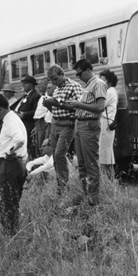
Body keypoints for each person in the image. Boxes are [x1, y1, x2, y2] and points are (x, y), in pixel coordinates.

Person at [61, 59, 107, 205]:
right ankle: (85, 194)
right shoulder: (87, 85)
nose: (78, 77)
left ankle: (93, 198)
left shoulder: (98, 83)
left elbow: (100, 107)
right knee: (81, 163)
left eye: (80, 74)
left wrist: (78, 104)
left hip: (89, 125)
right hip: (80, 124)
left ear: (87, 70)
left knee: (90, 163)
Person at [0, 94, 28, 235]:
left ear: (0, 109)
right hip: (17, 164)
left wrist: (9, 152)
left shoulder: (10, 122)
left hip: (9, 165)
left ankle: (10, 233)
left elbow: (19, 140)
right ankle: (12, 231)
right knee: (12, 202)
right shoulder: (12, 119)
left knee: (7, 202)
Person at [42, 65, 83, 195]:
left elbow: (79, 106)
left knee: (60, 154)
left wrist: (57, 103)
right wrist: (49, 105)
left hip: (67, 124)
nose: (53, 82)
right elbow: (56, 109)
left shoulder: (74, 86)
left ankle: (64, 184)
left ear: (62, 73)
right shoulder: (57, 89)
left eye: (55, 79)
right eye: (51, 80)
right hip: (55, 122)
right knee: (55, 155)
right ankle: (61, 185)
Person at [12, 76, 41, 156]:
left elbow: (36, 111)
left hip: (28, 124)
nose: (23, 85)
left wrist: (24, 115)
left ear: (31, 85)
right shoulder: (26, 95)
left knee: (28, 144)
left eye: (25, 83)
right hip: (22, 123)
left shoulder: (35, 96)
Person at [98, 69, 118, 179]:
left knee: (106, 155)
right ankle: (107, 180)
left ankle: (109, 181)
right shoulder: (109, 91)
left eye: (103, 80)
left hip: (106, 123)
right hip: (104, 123)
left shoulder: (110, 92)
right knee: (104, 154)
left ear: (109, 81)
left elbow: (100, 105)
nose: (101, 82)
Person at [32, 79, 52, 160]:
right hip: (38, 122)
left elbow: (48, 112)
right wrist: (35, 126)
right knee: (37, 143)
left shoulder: (48, 97)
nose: (38, 86)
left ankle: (45, 162)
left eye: (41, 84)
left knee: (43, 143)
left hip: (44, 122)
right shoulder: (41, 97)